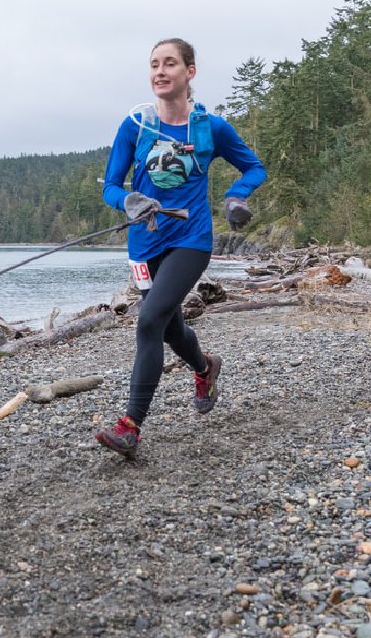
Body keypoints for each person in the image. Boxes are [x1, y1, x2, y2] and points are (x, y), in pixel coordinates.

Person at [95, 37, 267, 456]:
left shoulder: (211, 128)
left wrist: (236, 197)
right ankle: (206, 367)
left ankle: (130, 426)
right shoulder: (134, 125)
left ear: (190, 72)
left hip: (191, 239)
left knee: (149, 321)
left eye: (169, 63)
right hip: (144, 244)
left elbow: (254, 167)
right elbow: (112, 188)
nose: (159, 71)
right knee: (169, 327)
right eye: (154, 64)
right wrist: (129, 201)